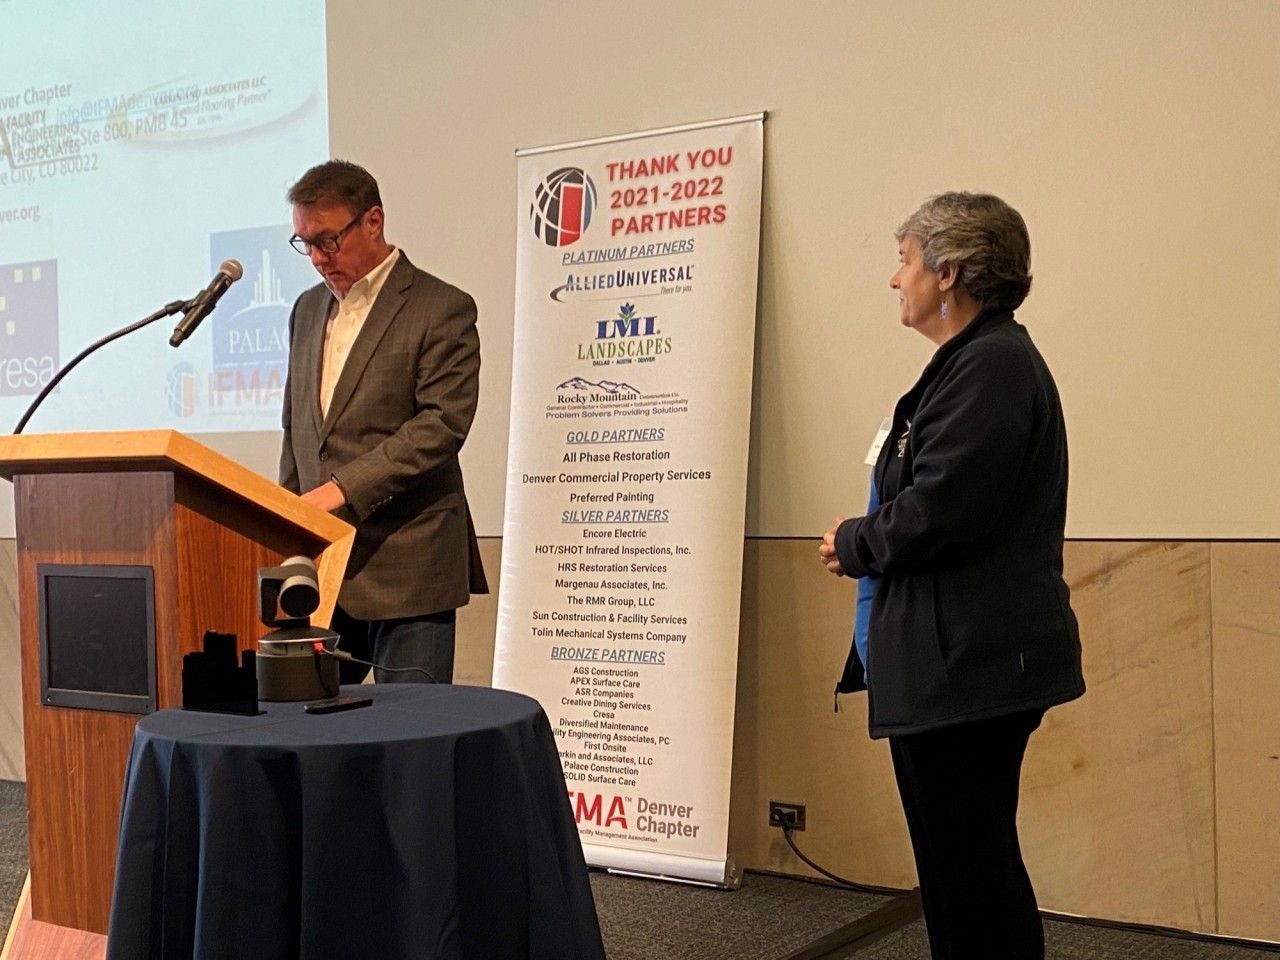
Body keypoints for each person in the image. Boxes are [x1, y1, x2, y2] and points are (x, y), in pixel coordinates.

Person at [818, 192, 1085, 959]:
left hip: (970, 669)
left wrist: (855, 541)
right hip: (951, 664)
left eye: (905, 261)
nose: (893, 279)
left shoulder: (992, 365)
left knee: (971, 872)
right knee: (958, 870)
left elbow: (943, 510)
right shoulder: (970, 365)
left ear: (950, 272)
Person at [280, 159, 487, 685]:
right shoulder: (306, 309)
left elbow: (441, 425)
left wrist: (341, 490)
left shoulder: (442, 307)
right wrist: (284, 523)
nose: (318, 258)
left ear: (373, 221)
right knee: (309, 723)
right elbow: (297, 428)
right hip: (324, 570)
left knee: (411, 729)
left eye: (328, 240)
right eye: (305, 243)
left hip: (409, 566)